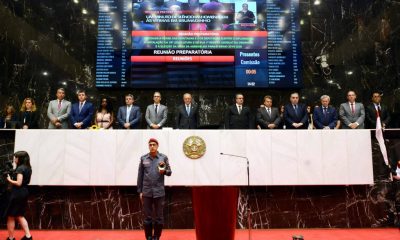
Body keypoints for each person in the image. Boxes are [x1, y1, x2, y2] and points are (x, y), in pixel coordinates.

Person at [137, 138, 172, 240]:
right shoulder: (144, 158)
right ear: (149, 146)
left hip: (159, 192)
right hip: (146, 192)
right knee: (147, 217)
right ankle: (148, 237)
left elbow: (170, 172)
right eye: (150, 145)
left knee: (159, 217)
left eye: (154, 145)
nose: (152, 146)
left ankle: (156, 236)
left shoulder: (163, 158)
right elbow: (140, 176)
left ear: (157, 146)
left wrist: (164, 171)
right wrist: (140, 191)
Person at [5, 151, 33, 240]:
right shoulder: (28, 168)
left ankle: (11, 238)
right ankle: (28, 236)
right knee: (20, 215)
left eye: (16, 157)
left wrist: (9, 180)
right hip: (24, 192)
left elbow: (18, 183)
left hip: (17, 193)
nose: (14, 159)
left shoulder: (20, 168)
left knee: (10, 216)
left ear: (20, 158)